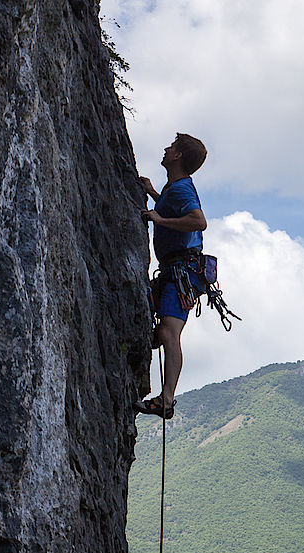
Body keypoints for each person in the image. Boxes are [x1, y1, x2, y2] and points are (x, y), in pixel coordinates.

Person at [135, 133, 208, 419]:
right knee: (163, 331)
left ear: (177, 156)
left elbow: (198, 221)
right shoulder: (174, 187)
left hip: (182, 271)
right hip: (178, 270)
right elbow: (173, 205)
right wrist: (154, 194)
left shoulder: (181, 190)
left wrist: (159, 219)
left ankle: (166, 399)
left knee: (168, 332)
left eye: (171, 147)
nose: (166, 148)